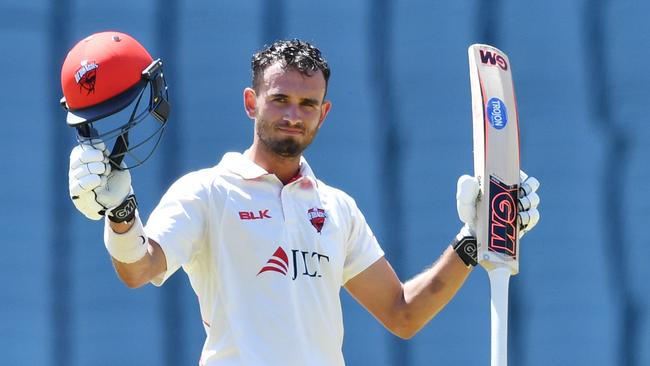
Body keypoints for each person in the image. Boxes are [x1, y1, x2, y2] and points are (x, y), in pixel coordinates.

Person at [64, 34, 540, 366]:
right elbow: (137, 269)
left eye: (308, 104)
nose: (293, 115)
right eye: (280, 100)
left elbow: (403, 313)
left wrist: (472, 240)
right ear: (252, 102)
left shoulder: (337, 208)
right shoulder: (207, 191)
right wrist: (122, 216)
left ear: (324, 113)